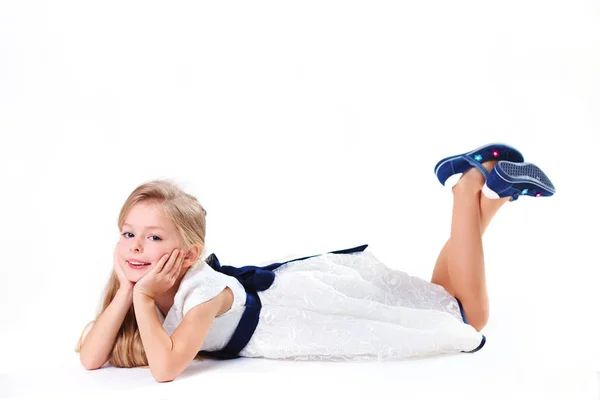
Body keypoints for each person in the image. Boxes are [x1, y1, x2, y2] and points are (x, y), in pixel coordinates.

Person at [75, 143, 556, 382]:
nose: (136, 247)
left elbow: (164, 370)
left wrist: (137, 294)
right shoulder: (139, 284)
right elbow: (91, 357)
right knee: (438, 296)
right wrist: (124, 290)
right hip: (284, 296)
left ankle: (469, 188)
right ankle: (494, 196)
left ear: (190, 254)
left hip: (297, 311)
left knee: (466, 316)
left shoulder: (202, 293)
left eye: (153, 237)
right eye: (128, 234)